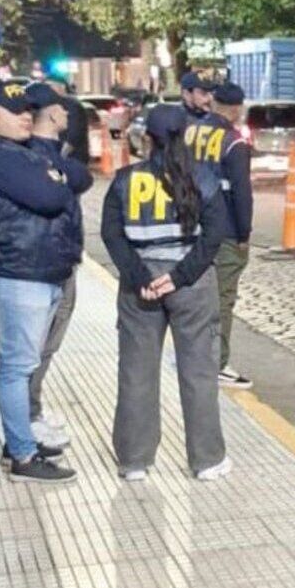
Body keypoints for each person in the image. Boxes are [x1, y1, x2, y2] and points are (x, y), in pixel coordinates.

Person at [101, 104, 231, 481]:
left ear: (147, 139)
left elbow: (111, 234)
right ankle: (207, 460)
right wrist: (179, 275)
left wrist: (141, 275)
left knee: (137, 371)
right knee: (199, 372)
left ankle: (134, 461)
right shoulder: (203, 178)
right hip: (189, 284)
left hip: (139, 287)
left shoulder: (126, 180)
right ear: (186, 136)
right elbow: (214, 234)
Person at [0, 80, 83, 483]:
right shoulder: (0, 156)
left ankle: (19, 439)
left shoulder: (19, 152)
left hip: (36, 271)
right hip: (21, 274)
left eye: (26, 111)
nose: (24, 117)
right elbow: (53, 198)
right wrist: (55, 182)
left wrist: (56, 179)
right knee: (17, 369)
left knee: (23, 365)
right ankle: (21, 455)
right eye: (14, 111)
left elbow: (73, 179)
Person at [23, 82, 92, 449]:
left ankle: (31, 409)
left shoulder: (54, 152)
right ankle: (26, 419)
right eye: (63, 108)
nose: (68, 113)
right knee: (34, 345)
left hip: (63, 258)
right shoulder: (30, 154)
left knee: (47, 343)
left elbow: (82, 178)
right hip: (44, 263)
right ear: (50, 113)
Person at [185, 81, 253, 389]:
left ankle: (194, 354)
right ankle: (217, 363)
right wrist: (244, 233)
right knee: (222, 298)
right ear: (236, 109)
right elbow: (241, 193)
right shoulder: (234, 142)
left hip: (195, 227)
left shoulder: (191, 132)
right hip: (225, 230)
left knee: (197, 295)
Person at [46, 75, 90, 165]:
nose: (48, 90)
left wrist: (60, 157)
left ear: (62, 87)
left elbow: (74, 135)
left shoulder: (72, 105)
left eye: (51, 86)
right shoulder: (54, 103)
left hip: (73, 157)